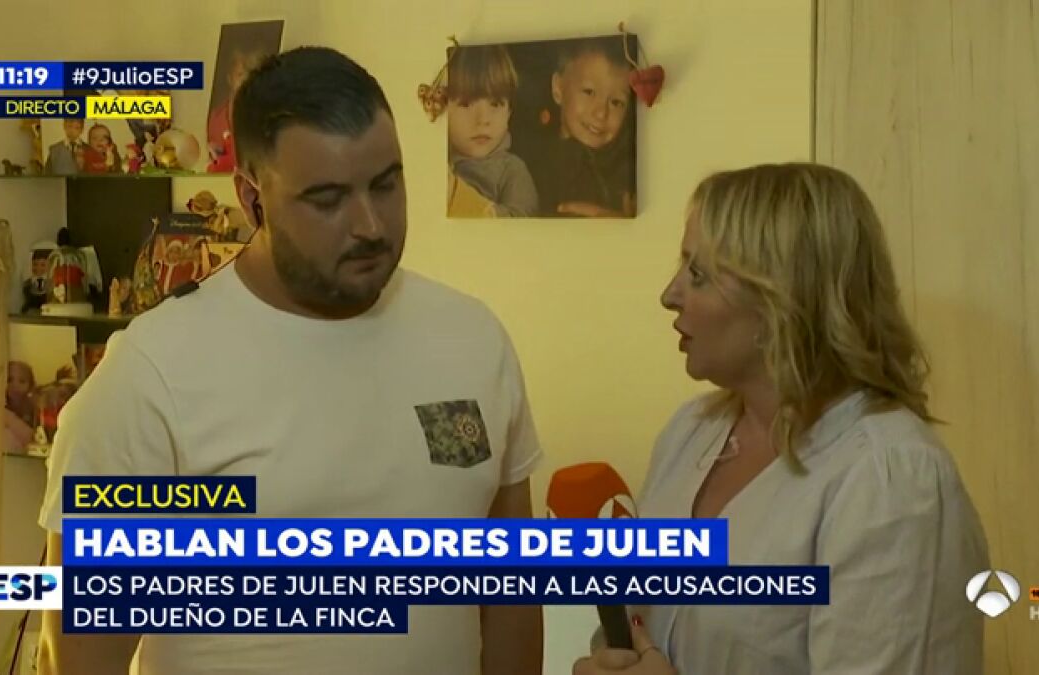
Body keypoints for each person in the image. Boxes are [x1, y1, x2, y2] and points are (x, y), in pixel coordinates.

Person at [37, 46, 544, 675]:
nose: (370, 225)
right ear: (251, 199)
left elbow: (511, 594)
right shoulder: (153, 375)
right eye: (327, 198)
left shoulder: (473, 340)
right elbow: (80, 658)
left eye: (386, 184)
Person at [574, 164, 990, 674]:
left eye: (698, 275)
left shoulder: (890, 480)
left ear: (782, 298)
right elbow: (645, 624)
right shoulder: (691, 432)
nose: (669, 295)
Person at [517, 36, 636, 218]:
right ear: (558, 88)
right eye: (589, 92)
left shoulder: (629, 175)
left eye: (616, 102)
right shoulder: (528, 168)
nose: (601, 113)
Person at [446, 44, 538, 217]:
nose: (483, 120)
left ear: (509, 113)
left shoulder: (511, 170)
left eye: (495, 104)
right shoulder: (433, 163)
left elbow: (522, 224)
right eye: (465, 104)